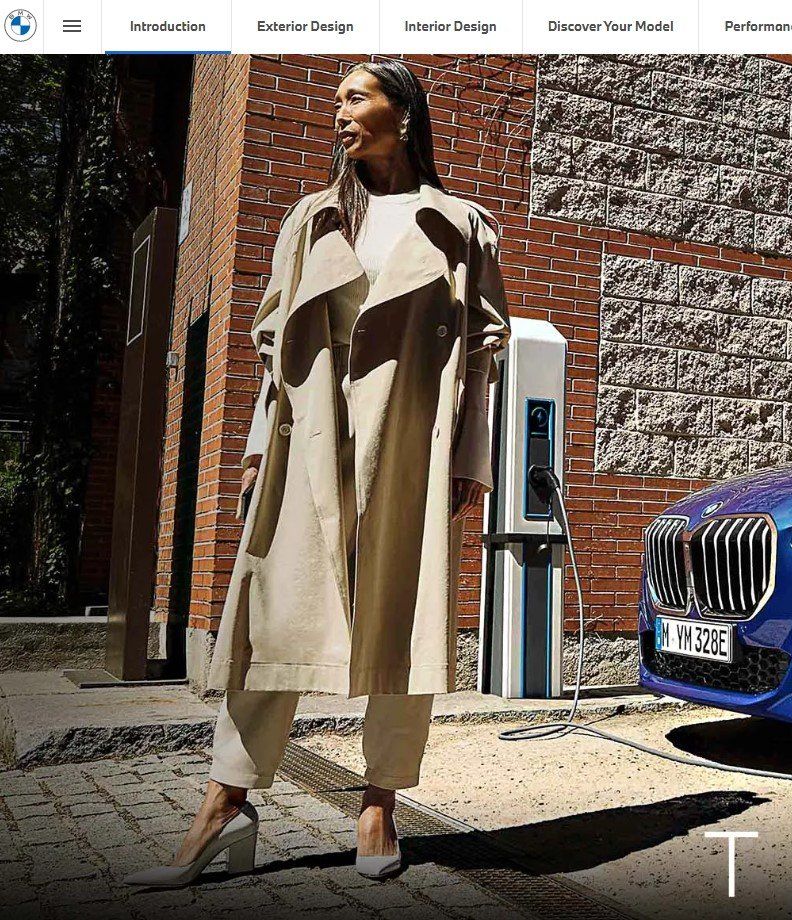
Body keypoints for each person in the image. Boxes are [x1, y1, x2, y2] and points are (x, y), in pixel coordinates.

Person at [126, 60, 510, 887]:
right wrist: (260, 449)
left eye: (355, 97)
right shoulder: (311, 219)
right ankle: (224, 804)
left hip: (409, 444)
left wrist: (470, 465)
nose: (339, 113)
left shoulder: (461, 225)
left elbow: (483, 357)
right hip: (309, 442)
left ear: (401, 113)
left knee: (402, 625)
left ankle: (378, 802)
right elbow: (275, 355)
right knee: (270, 618)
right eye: (336, 98)